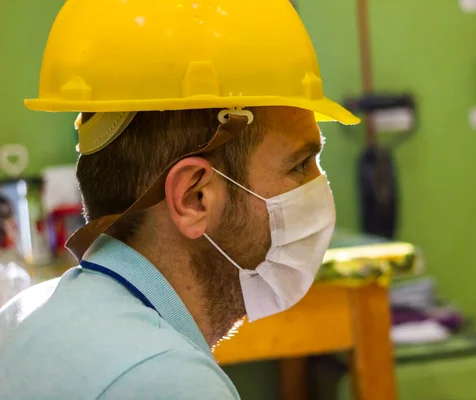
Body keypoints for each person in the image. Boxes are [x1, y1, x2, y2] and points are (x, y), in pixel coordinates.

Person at [0, 0, 359, 399]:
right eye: (301, 164)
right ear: (195, 197)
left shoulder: (24, 317)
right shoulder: (165, 381)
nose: (319, 185)